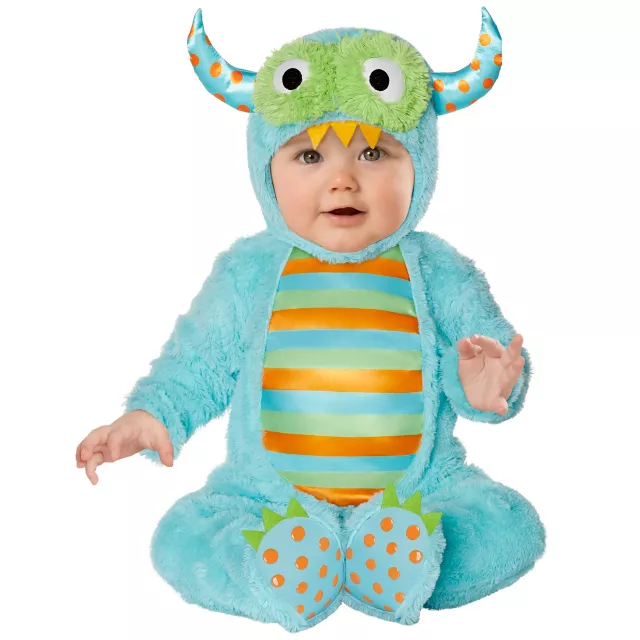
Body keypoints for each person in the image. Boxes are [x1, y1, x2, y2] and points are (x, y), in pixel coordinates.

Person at [76, 8, 545, 631]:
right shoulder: (250, 269)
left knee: (508, 527)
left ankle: (387, 551)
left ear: (421, 162)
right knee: (181, 538)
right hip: (269, 497)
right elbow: (199, 362)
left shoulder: (438, 269)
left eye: (373, 152)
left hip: (417, 492)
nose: (342, 181)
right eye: (307, 156)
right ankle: (289, 562)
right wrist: (151, 415)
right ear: (265, 167)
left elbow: (489, 355)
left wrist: (489, 387)